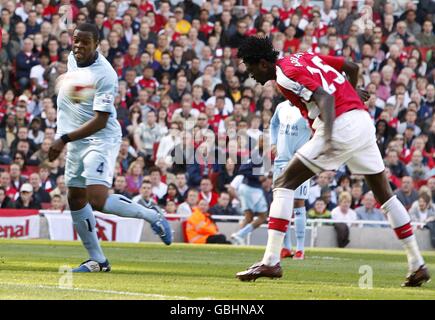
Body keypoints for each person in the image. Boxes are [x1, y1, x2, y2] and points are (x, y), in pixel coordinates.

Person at [235, 36, 429, 287]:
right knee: (386, 196)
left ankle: (271, 261)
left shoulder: (284, 74)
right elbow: (352, 66)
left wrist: (326, 137)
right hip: (361, 121)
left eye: (250, 69)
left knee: (283, 183)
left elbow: (325, 98)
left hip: (339, 125)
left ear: (262, 64)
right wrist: (354, 92)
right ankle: (417, 265)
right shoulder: (303, 56)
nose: (251, 75)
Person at [48, 23, 172, 273]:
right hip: (75, 140)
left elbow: (100, 120)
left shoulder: (106, 74)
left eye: (85, 42)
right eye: (76, 40)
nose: (79, 45)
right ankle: (98, 261)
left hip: (100, 138)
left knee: (97, 198)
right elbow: (79, 94)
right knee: (75, 197)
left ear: (97, 44)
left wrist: (63, 139)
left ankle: (151, 214)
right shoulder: (73, 58)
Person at [270, 100, 311, 260]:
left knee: (298, 203)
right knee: (281, 203)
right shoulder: (281, 106)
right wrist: (273, 143)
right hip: (281, 161)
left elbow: (319, 129)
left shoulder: (308, 108)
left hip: (300, 161)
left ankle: (300, 248)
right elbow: (273, 124)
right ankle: (285, 247)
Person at [230, 136, 268, 246]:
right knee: (262, 217)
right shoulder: (257, 154)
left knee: (249, 217)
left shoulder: (257, 154)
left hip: (246, 187)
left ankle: (236, 240)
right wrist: (258, 177)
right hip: (252, 188)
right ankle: (240, 235)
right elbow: (243, 169)